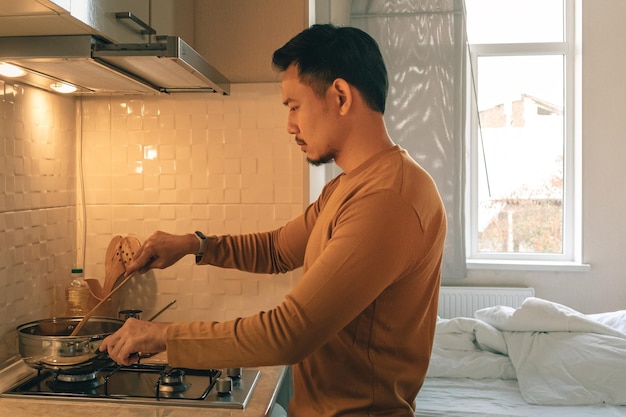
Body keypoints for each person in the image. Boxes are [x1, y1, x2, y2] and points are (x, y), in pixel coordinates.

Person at [100, 23, 447, 416]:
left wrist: (164, 336)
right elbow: (277, 249)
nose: (290, 125)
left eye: (294, 106)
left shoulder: (387, 200)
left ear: (340, 97)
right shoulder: (352, 186)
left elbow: (291, 332)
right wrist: (193, 245)